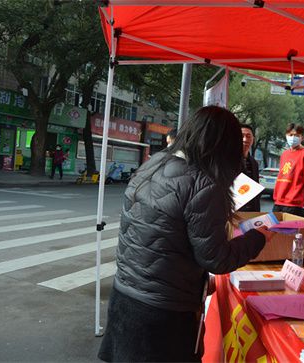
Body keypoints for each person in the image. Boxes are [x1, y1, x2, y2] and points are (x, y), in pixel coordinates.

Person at [98, 106, 274, 363]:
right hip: (164, 313)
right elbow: (216, 258)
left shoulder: (154, 163)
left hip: (125, 294)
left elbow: (160, 239)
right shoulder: (203, 183)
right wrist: (258, 237)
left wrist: (198, 281)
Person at [273, 123, 304, 217]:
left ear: (302, 137)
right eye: (290, 135)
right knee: (274, 231)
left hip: (294, 206)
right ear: (286, 135)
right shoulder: (284, 154)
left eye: (297, 135)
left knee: (291, 232)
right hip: (278, 203)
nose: (293, 137)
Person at [239, 124, 260, 212]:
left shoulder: (254, 163)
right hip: (234, 212)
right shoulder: (227, 160)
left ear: (253, 139)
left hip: (251, 211)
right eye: (242, 136)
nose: (245, 139)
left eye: (248, 136)